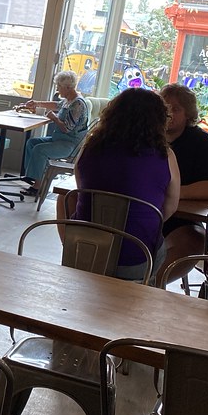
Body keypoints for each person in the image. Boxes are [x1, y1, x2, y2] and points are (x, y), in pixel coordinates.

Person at [71, 89, 180, 280]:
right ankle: (144, 293)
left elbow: (81, 189)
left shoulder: (90, 147)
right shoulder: (165, 156)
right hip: (137, 256)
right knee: (159, 245)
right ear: (160, 120)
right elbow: (169, 208)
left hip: (85, 250)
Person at [159, 83, 208, 283]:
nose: (169, 113)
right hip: (142, 212)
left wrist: (173, 192)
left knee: (194, 239)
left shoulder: (202, 142)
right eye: (165, 107)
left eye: (176, 109)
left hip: (181, 219)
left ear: (188, 114)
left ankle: (150, 284)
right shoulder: (145, 136)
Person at [18, 70, 89, 197]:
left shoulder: (77, 104)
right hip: (59, 139)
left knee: (40, 150)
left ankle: (38, 187)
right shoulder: (68, 100)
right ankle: (34, 176)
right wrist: (37, 103)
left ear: (68, 87)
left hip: (70, 145)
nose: (57, 89)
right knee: (32, 143)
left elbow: (66, 129)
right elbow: (57, 105)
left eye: (59, 86)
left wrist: (54, 118)